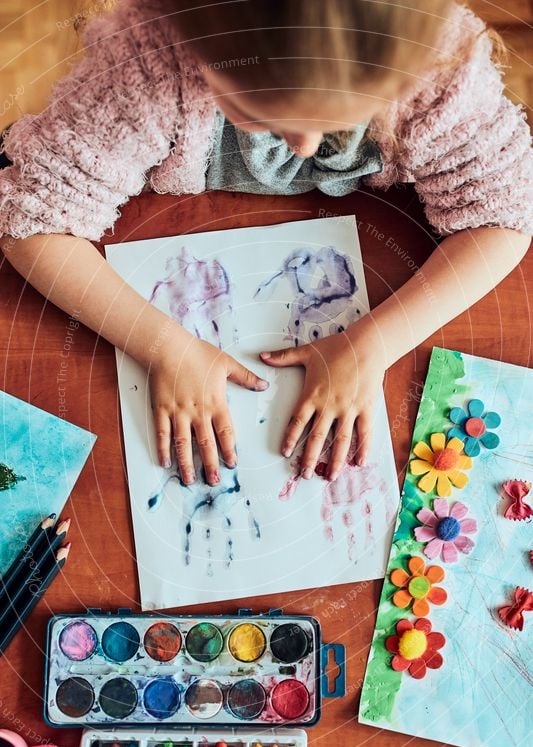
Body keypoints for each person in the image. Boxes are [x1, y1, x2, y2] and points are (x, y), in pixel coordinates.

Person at [0, 0, 531, 486]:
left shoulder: (434, 66)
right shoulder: (148, 60)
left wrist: (373, 344)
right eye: (263, 114)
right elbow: (32, 222)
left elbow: (503, 218)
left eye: (338, 123)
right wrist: (163, 346)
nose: (303, 146)